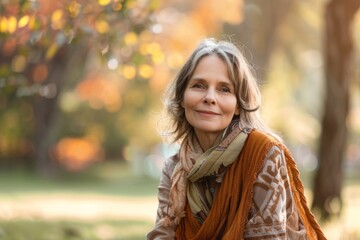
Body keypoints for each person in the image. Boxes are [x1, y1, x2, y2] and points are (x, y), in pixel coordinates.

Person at [147, 38, 326, 239]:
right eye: (198, 85)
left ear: (239, 105)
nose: (210, 97)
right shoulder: (176, 168)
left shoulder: (263, 155)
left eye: (224, 89)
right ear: (182, 97)